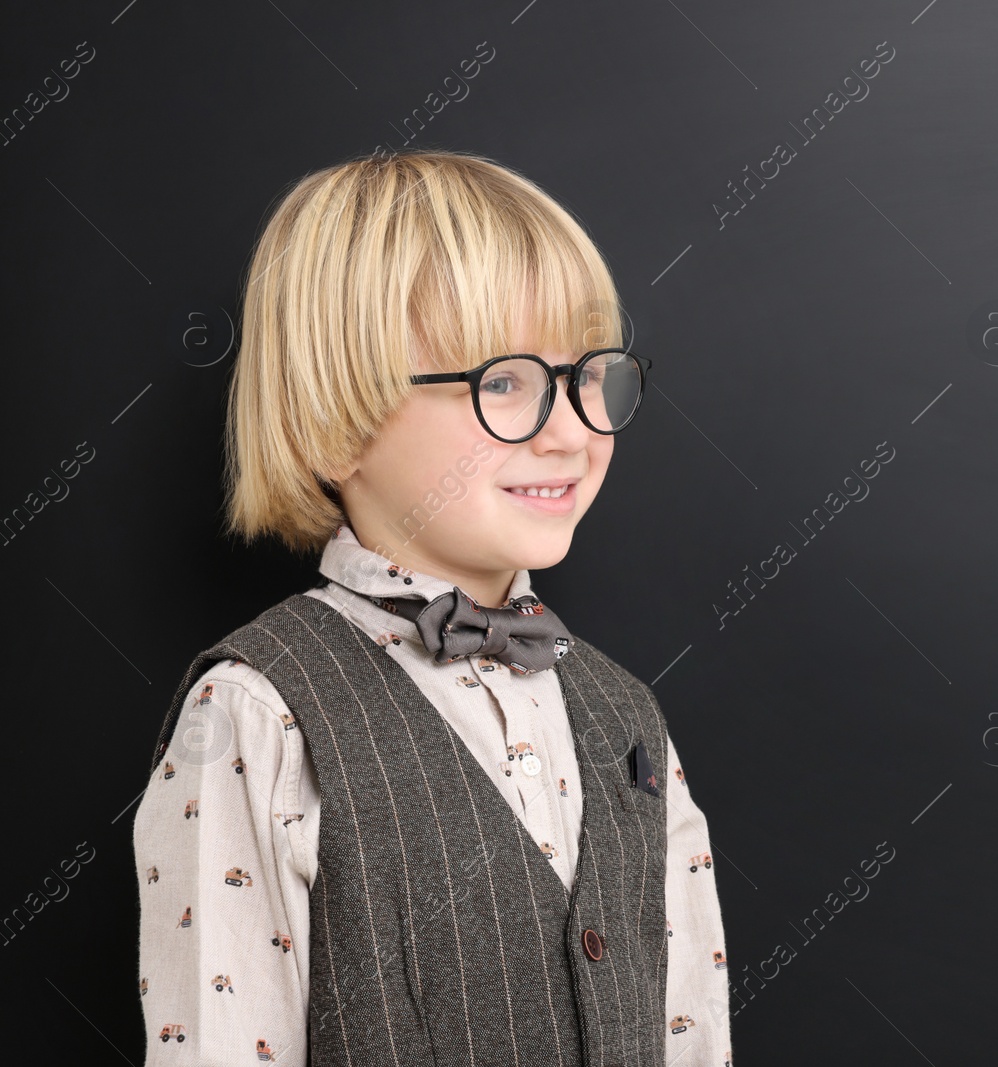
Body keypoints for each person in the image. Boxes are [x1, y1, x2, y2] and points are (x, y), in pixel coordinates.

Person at [133, 149, 733, 1065]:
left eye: (586, 378)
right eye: (503, 383)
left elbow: (691, 1036)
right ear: (335, 425)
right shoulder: (261, 716)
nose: (571, 431)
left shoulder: (628, 717)